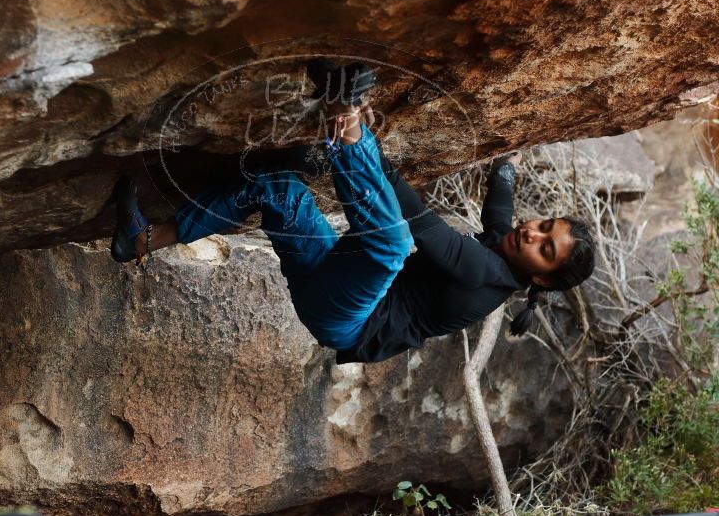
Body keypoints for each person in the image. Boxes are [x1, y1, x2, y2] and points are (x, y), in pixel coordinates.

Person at [110, 59, 595, 364]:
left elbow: (422, 228)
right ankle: (143, 240)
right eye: (544, 226)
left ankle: (346, 115)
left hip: (349, 318)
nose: (532, 234)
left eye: (546, 248)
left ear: (545, 281)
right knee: (278, 188)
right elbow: (500, 214)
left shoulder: (486, 276)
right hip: (333, 276)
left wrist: (376, 156)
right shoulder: (504, 248)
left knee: (393, 245)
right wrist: (507, 165)